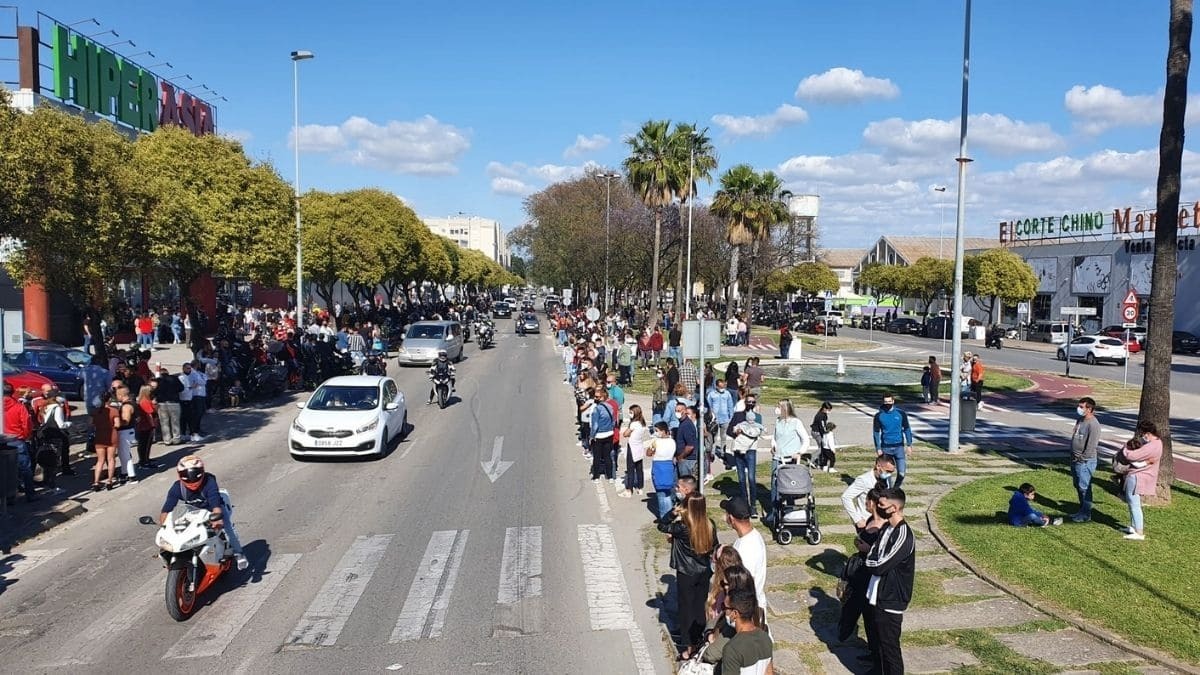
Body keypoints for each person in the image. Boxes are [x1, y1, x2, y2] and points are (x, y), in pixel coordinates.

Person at [159, 455, 247, 570]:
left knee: (227, 528)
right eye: (186, 475)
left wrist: (217, 518)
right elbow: (167, 508)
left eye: (195, 474)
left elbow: (215, 501)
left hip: (213, 509)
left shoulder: (209, 482)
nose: (191, 479)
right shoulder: (177, 487)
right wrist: (164, 525)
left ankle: (239, 553)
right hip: (193, 511)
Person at [658, 493, 718, 660]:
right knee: (699, 606)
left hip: (686, 572)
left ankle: (689, 647)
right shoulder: (709, 525)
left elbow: (662, 525)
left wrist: (672, 513)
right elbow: (714, 546)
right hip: (704, 571)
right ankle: (699, 639)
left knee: (686, 609)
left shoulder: (683, 527)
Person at [863, 487, 916, 675]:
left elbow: (879, 564)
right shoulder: (886, 528)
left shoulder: (903, 535)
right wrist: (871, 557)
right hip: (877, 594)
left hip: (891, 598)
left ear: (894, 508)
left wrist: (869, 560)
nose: (878, 507)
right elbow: (875, 552)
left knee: (890, 648)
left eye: (882, 505)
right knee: (877, 642)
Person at [838, 488, 887, 642]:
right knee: (852, 604)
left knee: (870, 612)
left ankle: (874, 647)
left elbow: (884, 551)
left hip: (870, 571)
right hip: (859, 568)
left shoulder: (884, 526)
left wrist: (868, 549)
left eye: (867, 500)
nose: (865, 503)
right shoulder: (870, 519)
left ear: (873, 503)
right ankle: (844, 633)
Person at [701, 554, 753, 665]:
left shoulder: (736, 620)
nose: (724, 587)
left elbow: (711, 654)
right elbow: (714, 622)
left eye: (725, 584)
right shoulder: (732, 603)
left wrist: (709, 637)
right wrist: (709, 633)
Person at [1116, 420, 1163, 540]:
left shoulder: (1152, 446)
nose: (1142, 436)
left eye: (1142, 434)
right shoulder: (1157, 443)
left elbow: (1132, 456)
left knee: (1134, 503)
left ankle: (1139, 532)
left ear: (1148, 433)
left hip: (1138, 476)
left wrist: (1125, 448)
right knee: (1131, 502)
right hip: (1138, 475)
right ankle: (1133, 527)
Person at [722, 496, 768, 616]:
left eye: (726, 514)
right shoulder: (754, 535)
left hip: (746, 611)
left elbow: (742, 585)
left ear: (731, 518)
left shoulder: (745, 549)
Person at [768, 399, 810, 521]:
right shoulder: (778, 421)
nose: (777, 409)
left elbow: (805, 439)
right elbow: (774, 437)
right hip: (778, 457)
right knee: (775, 484)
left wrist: (799, 452)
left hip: (791, 459)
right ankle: (774, 511)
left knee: (790, 485)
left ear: (785, 408)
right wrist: (773, 446)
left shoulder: (796, 422)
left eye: (779, 407)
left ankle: (790, 510)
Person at [717, 587, 773, 675]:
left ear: (734, 614)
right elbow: (769, 672)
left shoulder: (732, 649)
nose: (723, 611)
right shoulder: (765, 638)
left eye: (724, 607)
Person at [727, 396, 764, 518]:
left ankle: (753, 505)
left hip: (751, 450)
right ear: (745, 403)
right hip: (739, 449)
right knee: (742, 478)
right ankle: (744, 503)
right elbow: (729, 430)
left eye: (753, 402)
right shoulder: (738, 415)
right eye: (748, 402)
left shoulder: (758, 417)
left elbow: (759, 431)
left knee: (751, 478)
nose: (751, 404)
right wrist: (736, 433)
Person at [1069, 396, 1102, 522]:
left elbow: (1091, 445)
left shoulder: (1094, 425)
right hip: (1074, 458)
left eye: (1081, 407)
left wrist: (1082, 459)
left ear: (1089, 409)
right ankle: (1081, 511)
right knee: (1077, 485)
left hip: (1085, 461)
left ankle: (1086, 514)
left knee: (1084, 487)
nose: (1079, 409)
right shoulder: (1080, 420)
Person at [3, 383, 37, 501]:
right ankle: (30, 494)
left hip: (3, 440)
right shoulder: (19, 407)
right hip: (17, 439)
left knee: (5, 470)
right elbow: (26, 423)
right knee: (25, 468)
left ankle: (8, 497)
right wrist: (25, 436)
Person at [842, 455, 897, 527]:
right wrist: (857, 520)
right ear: (878, 466)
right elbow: (846, 497)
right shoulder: (864, 480)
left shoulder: (886, 479)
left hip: (882, 521)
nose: (889, 474)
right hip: (866, 521)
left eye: (891, 472)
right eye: (887, 471)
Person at [872, 395, 913, 488]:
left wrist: (909, 445)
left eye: (889, 401)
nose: (888, 404)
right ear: (883, 402)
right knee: (886, 474)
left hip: (899, 447)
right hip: (886, 448)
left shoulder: (900, 414)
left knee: (902, 473)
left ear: (893, 401)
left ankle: (895, 488)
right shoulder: (879, 416)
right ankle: (888, 490)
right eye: (886, 402)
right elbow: (876, 433)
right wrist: (878, 448)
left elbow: (907, 429)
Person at [617, 404, 649, 498]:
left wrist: (628, 431)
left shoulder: (633, 424)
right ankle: (640, 487)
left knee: (630, 469)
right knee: (639, 468)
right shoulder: (642, 423)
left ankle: (629, 490)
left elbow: (625, 434)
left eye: (631, 412)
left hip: (632, 446)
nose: (629, 414)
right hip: (639, 446)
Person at [648, 421, 678, 519]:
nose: (655, 433)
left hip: (659, 467)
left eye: (657, 430)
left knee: (661, 495)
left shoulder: (656, 442)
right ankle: (670, 515)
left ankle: (665, 518)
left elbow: (648, 453)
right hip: (669, 467)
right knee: (667, 493)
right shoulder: (672, 441)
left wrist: (652, 447)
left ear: (663, 431)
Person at [91, 392, 119, 490]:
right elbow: (117, 424)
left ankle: (96, 482)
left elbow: (91, 423)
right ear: (109, 399)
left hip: (99, 436)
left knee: (100, 460)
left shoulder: (96, 411)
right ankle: (109, 481)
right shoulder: (114, 410)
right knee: (111, 459)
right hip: (111, 436)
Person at [589, 387, 616, 483]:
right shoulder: (610, 407)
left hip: (599, 435)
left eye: (597, 397)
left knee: (597, 457)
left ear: (602, 397)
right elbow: (614, 421)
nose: (595, 398)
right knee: (607, 456)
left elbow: (595, 425)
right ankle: (610, 477)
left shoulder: (596, 409)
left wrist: (591, 436)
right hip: (609, 434)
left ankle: (596, 477)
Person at [706, 379, 735, 461]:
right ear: (717, 386)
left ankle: (723, 452)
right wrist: (710, 416)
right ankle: (712, 453)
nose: (722, 388)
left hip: (725, 418)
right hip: (714, 419)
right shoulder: (711, 394)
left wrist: (731, 417)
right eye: (720, 387)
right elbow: (709, 406)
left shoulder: (727, 394)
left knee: (723, 437)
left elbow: (730, 405)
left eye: (723, 386)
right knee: (714, 437)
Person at [134, 385, 160, 470]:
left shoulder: (146, 400)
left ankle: (146, 459)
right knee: (144, 444)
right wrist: (153, 425)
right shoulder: (144, 401)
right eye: (151, 391)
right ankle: (143, 461)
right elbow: (150, 414)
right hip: (145, 426)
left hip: (146, 425)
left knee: (147, 443)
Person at [675, 402, 700, 480]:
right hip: (686, 459)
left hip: (687, 460)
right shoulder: (683, 423)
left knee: (686, 482)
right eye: (676, 410)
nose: (677, 412)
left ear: (685, 411)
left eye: (679, 410)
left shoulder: (686, 425)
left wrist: (680, 457)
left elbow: (690, 446)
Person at [812, 401, 838, 473]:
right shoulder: (820, 416)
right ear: (824, 408)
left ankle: (822, 464)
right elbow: (822, 427)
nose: (829, 411)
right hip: (817, 432)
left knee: (823, 449)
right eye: (828, 410)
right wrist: (826, 433)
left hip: (820, 432)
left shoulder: (824, 414)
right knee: (821, 449)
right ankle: (813, 460)